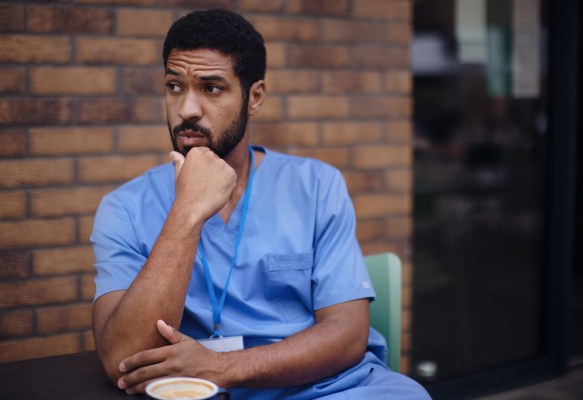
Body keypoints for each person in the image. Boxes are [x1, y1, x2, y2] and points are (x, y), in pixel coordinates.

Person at [91, 9, 430, 400]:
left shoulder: (316, 185)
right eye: (174, 86)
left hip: (323, 388)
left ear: (254, 97)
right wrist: (188, 209)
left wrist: (222, 367)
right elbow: (123, 357)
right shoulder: (124, 208)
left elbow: (348, 334)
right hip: (195, 392)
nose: (187, 109)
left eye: (212, 88)